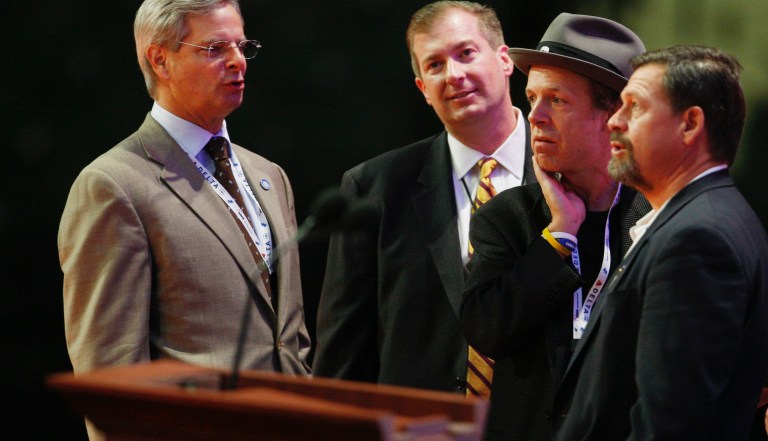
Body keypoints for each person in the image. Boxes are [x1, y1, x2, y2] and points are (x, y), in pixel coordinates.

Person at [58, 1, 311, 436]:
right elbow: (110, 376)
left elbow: (289, 337)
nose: (236, 61)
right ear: (160, 60)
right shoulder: (113, 184)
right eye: (214, 48)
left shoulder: (271, 176)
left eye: (241, 46)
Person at [312, 0, 534, 394]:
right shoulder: (375, 189)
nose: (454, 75)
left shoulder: (572, 169)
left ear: (504, 60)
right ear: (423, 89)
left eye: (466, 53)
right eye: (435, 65)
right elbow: (343, 356)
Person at [552, 45, 768, 440]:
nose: (614, 122)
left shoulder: (699, 240)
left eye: (634, 106)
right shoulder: (705, 218)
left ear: (690, 124)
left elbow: (669, 426)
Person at [459, 13, 648, 441]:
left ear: (614, 114)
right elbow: (486, 331)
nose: (535, 117)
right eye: (532, 98)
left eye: (557, 101)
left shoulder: (656, 218)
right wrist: (559, 235)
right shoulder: (508, 215)